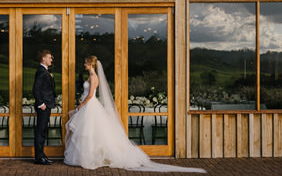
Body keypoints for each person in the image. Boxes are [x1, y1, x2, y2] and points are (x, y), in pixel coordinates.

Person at [64, 56, 205, 172]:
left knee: (89, 132)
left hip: (90, 105)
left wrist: (80, 105)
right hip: (89, 106)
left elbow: (90, 96)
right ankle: (89, 156)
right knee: (88, 133)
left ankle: (92, 157)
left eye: (86, 63)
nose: (84, 64)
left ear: (91, 64)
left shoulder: (94, 77)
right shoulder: (90, 76)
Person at [32, 49, 56, 165]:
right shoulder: (41, 71)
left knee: (43, 131)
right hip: (43, 106)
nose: (51, 59)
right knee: (40, 131)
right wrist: (41, 104)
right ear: (43, 59)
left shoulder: (45, 71)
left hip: (46, 105)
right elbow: (36, 89)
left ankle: (42, 155)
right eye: (49, 57)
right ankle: (39, 157)